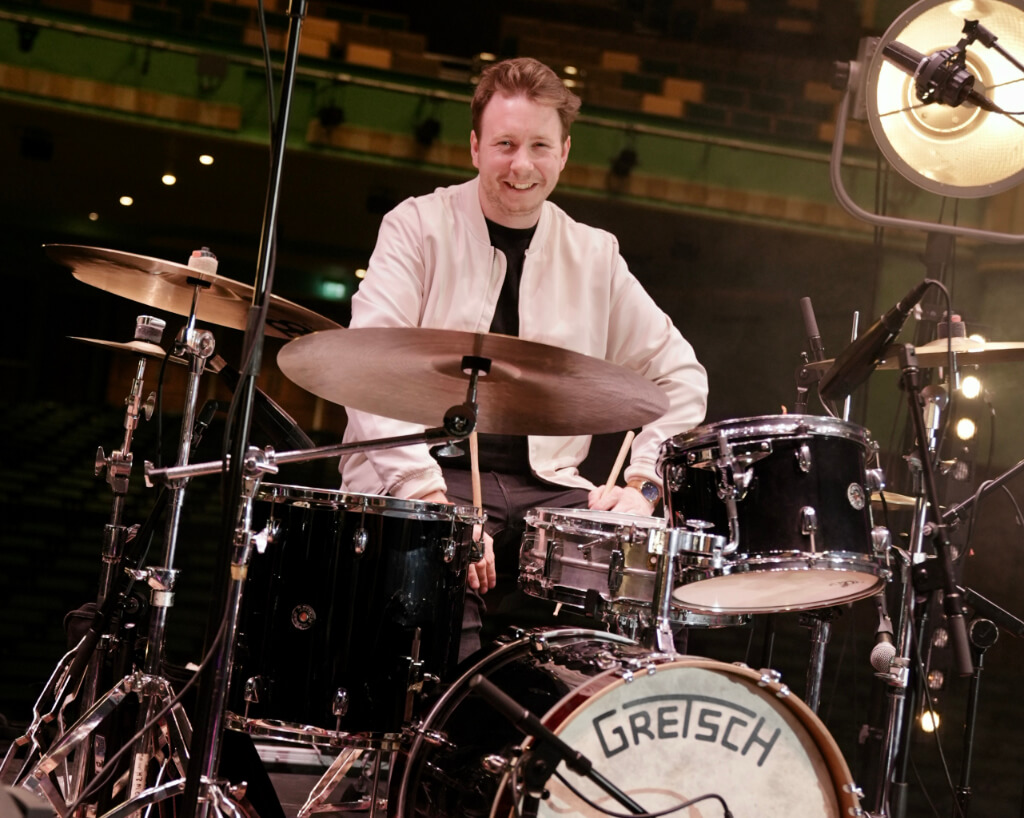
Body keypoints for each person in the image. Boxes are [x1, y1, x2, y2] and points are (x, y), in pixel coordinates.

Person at [339, 57, 708, 659]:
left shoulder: (594, 254)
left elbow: (681, 375)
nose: (522, 165)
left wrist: (642, 485)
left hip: (548, 489)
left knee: (639, 570)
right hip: (430, 480)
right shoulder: (415, 227)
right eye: (506, 144)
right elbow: (367, 365)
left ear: (563, 153)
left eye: (539, 145)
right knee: (435, 608)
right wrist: (428, 497)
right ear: (475, 147)